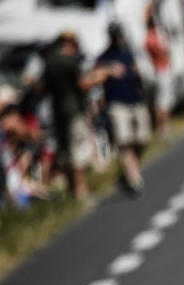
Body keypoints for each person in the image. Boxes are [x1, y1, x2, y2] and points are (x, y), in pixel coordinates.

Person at [41, 30, 112, 202]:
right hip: (73, 111)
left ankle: (72, 190)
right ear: (70, 42)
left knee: (66, 152)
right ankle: (81, 192)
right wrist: (98, 78)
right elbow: (82, 85)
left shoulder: (50, 61)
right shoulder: (70, 60)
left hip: (58, 112)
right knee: (77, 152)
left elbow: (43, 87)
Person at [97, 22, 151, 194]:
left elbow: (141, 75)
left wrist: (139, 73)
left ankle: (132, 168)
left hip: (135, 100)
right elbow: (94, 79)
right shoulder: (103, 58)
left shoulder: (129, 54)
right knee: (124, 141)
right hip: (117, 103)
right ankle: (133, 178)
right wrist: (107, 72)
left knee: (141, 139)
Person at [145, 10, 173, 139]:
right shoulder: (158, 36)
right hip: (163, 69)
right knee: (164, 101)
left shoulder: (146, 38)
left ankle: (159, 127)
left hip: (155, 71)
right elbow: (165, 51)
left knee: (158, 101)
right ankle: (164, 127)